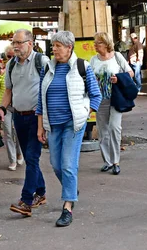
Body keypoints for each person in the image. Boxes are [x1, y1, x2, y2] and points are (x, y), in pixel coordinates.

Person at [37, 31, 102, 227]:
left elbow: (96, 95)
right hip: (53, 124)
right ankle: (71, 190)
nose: (54, 49)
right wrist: (40, 126)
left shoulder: (82, 67)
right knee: (56, 165)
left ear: (69, 47)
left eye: (58, 46)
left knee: (67, 164)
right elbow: (41, 99)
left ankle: (67, 207)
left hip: (73, 125)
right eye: (53, 46)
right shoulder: (47, 68)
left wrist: (84, 112)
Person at [0, 29, 49, 217]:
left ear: (30, 43)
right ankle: (41, 192)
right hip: (18, 116)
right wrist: (2, 109)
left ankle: (26, 200)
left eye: (19, 42)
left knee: (32, 157)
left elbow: (50, 89)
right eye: (14, 42)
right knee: (28, 158)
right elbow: (8, 91)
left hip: (37, 117)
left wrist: (45, 119)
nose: (15, 46)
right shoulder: (11, 64)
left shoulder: (41, 62)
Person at [90, 31, 133, 175]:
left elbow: (130, 73)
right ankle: (107, 161)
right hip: (99, 99)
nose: (95, 45)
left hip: (115, 97)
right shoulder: (93, 60)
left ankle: (116, 161)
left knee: (115, 128)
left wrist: (118, 79)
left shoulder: (117, 56)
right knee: (102, 131)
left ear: (106, 43)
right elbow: (89, 77)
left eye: (98, 43)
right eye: (95, 43)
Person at [0, 45, 24, 171]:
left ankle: (19, 153)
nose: (11, 58)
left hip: (18, 104)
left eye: (13, 56)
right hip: (4, 105)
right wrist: (0, 75)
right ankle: (12, 160)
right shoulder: (0, 68)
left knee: (18, 132)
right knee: (8, 133)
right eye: (8, 56)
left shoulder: (20, 67)